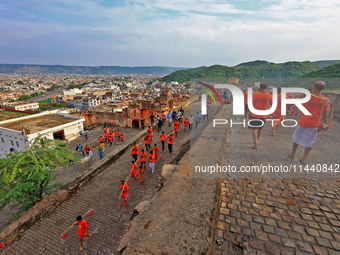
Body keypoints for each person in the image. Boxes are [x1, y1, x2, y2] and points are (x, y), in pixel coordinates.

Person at [288, 81, 330, 164]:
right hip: (315, 124)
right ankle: (304, 158)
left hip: (304, 122)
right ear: (323, 89)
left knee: (297, 138)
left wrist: (293, 111)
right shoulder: (326, 100)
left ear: (313, 87)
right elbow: (326, 114)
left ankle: (293, 153)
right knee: (310, 141)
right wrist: (324, 122)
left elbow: (297, 107)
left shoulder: (306, 97)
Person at [248, 83, 272, 149]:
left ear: (260, 88)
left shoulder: (256, 95)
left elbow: (251, 104)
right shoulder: (269, 95)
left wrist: (249, 112)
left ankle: (255, 144)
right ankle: (257, 140)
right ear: (266, 88)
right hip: (263, 115)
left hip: (255, 114)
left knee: (254, 129)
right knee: (260, 129)